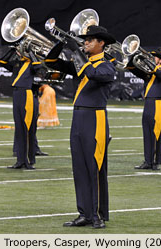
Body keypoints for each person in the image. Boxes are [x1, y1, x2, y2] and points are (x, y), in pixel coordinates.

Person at [45, 25, 116, 228]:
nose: (86, 42)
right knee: (80, 168)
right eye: (85, 39)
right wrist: (61, 42)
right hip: (78, 118)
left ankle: (98, 215)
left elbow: (93, 74)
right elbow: (50, 62)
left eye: (90, 40)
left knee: (95, 167)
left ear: (102, 43)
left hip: (96, 118)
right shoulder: (81, 64)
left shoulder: (107, 65)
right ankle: (84, 213)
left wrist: (76, 51)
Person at [0, 48, 41, 169]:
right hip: (16, 94)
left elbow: (38, 67)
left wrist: (30, 52)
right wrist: (12, 50)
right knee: (19, 128)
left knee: (27, 127)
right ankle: (20, 160)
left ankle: (28, 160)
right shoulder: (18, 64)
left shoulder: (32, 63)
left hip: (26, 93)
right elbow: (2, 62)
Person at [132, 48, 161, 170]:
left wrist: (147, 61)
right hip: (148, 104)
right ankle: (148, 161)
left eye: (156, 57)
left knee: (155, 133)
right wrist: (132, 57)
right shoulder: (150, 73)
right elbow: (135, 71)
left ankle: (155, 161)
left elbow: (159, 73)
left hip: (156, 104)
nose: (153, 58)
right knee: (147, 133)